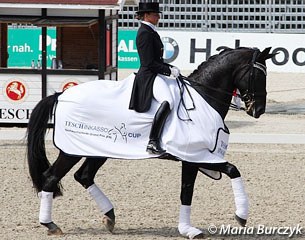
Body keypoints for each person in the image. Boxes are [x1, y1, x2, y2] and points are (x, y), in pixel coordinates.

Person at [129, 2, 180, 155]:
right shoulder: (144, 32)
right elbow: (148, 62)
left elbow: (155, 59)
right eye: (155, 14)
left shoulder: (150, 31)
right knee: (168, 101)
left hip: (155, 72)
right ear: (146, 15)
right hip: (148, 75)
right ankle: (152, 141)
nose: (158, 16)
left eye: (158, 14)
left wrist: (168, 68)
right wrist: (168, 70)